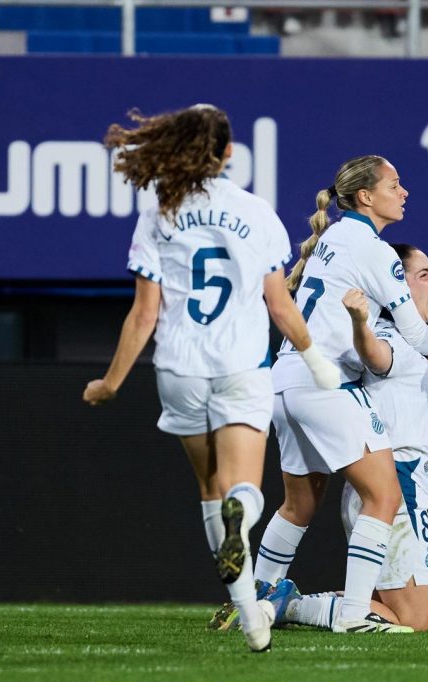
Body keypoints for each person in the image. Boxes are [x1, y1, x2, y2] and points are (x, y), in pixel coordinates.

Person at [82, 104, 340, 653]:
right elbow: (279, 305)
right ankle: (239, 517)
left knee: (207, 486)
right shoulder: (256, 211)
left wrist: (110, 383)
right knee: (243, 490)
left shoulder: (159, 208)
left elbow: (144, 314)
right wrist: (317, 360)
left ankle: (252, 622)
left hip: (179, 368)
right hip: (241, 366)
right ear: (228, 152)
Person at [253, 156, 428, 634]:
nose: (404, 193)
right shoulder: (374, 250)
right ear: (365, 196)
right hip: (325, 380)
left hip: (284, 378)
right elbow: (416, 335)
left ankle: (256, 600)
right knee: (384, 494)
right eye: (395, 184)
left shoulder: (332, 239)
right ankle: (354, 614)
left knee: (299, 504)